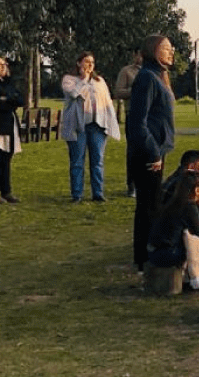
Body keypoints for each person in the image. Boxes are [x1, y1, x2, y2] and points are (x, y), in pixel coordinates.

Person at [126, 35, 176, 272]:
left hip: (156, 150)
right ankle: (144, 259)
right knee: (148, 206)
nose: (171, 52)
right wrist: (153, 152)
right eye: (165, 48)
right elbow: (137, 123)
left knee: (153, 204)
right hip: (147, 152)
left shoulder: (158, 76)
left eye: (171, 48)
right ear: (152, 51)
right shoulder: (146, 78)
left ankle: (149, 256)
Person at [59, 52, 122, 202]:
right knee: (77, 161)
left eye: (92, 62)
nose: (90, 65)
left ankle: (98, 193)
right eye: (86, 62)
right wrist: (83, 79)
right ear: (78, 63)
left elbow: (107, 101)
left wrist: (110, 123)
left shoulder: (99, 81)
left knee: (97, 161)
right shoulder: (69, 80)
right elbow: (74, 94)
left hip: (97, 126)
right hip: (77, 126)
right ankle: (77, 194)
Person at [146, 169, 199, 290]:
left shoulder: (173, 202)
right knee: (192, 239)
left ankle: (191, 276)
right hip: (168, 255)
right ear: (197, 190)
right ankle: (197, 278)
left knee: (187, 235)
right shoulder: (189, 207)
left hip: (153, 251)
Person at [0, 55, 24, 204]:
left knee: (5, 160)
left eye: (5, 64)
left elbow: (20, 100)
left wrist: (6, 98)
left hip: (8, 127)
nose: (3, 67)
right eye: (0, 64)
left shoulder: (8, 83)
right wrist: (9, 100)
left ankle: (6, 191)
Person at [113, 48, 141, 195]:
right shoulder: (127, 71)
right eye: (139, 54)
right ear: (135, 55)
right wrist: (136, 90)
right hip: (134, 115)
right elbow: (118, 92)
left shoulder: (157, 70)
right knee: (134, 151)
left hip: (152, 116)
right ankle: (132, 185)